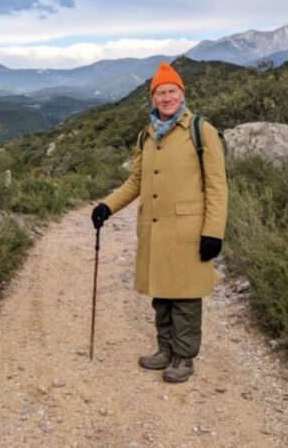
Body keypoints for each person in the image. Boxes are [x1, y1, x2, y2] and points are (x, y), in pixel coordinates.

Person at [90, 61, 228, 383]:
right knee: (162, 296)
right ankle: (165, 350)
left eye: (172, 91)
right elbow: (136, 181)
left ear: (182, 93)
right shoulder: (147, 135)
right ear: (153, 98)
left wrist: (213, 232)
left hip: (188, 232)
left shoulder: (201, 130)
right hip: (154, 231)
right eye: (160, 93)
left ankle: (183, 358)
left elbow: (218, 186)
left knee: (185, 298)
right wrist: (107, 207)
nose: (166, 97)